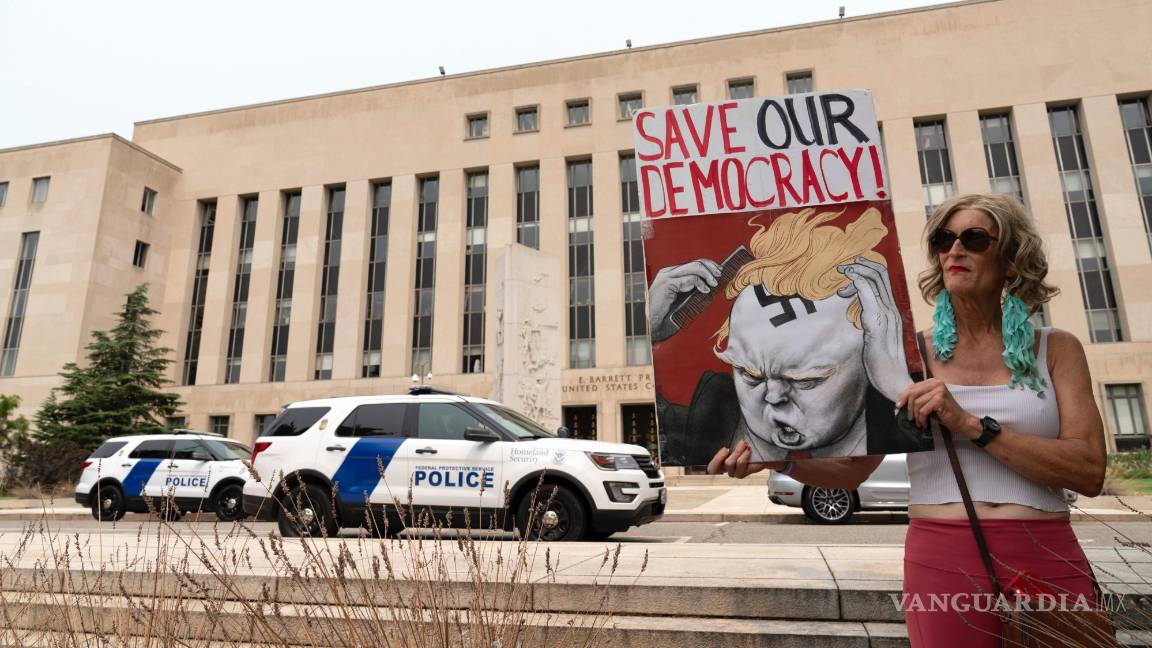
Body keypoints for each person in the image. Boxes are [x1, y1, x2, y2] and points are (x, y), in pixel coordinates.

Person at [709, 193, 1108, 647]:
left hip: (1045, 548)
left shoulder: (1057, 349)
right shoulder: (906, 356)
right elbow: (854, 471)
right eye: (944, 239)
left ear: (1011, 261)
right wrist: (776, 461)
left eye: (974, 239)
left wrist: (970, 424)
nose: (954, 249)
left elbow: (1089, 470)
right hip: (943, 554)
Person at [650, 206, 927, 466]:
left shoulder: (895, 424)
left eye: (805, 379)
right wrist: (653, 331)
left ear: (870, 361)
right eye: (750, 374)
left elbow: (933, 441)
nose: (773, 396)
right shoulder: (698, 431)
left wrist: (897, 387)